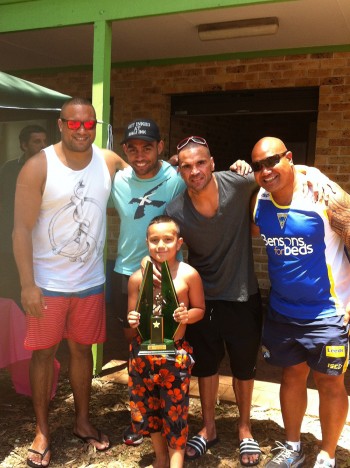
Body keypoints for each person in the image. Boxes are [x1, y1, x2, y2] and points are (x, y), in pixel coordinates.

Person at [12, 97, 128, 468]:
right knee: (43, 354)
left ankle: (81, 421)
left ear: (96, 127)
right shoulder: (37, 166)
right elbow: (20, 230)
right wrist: (28, 284)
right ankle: (42, 431)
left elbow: (148, 174)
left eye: (89, 125)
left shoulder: (108, 161)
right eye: (73, 124)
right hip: (47, 285)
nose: (81, 130)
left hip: (90, 283)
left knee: (82, 353)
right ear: (60, 125)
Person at [250, 137, 350, 468]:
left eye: (273, 161)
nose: (266, 170)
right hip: (282, 311)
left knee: (330, 382)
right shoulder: (259, 199)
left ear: (290, 158)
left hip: (327, 313)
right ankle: (293, 447)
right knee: (292, 377)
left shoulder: (323, 196)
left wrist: (315, 173)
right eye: (258, 166)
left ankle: (327, 453)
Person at [165, 136, 263, 466]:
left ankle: (245, 429)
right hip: (203, 300)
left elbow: (270, 176)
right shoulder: (175, 210)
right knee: (206, 367)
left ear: (212, 162)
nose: (195, 170)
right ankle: (208, 428)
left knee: (243, 367)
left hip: (242, 294)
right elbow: (165, 252)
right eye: (187, 166)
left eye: (200, 163)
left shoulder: (238, 183)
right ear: (179, 171)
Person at [110, 118, 186, 445]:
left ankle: (170, 419)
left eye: (147, 147)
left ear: (160, 147)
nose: (140, 154)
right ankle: (140, 417)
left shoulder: (176, 179)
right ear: (124, 150)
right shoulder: (117, 180)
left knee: (164, 348)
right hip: (125, 274)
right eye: (132, 148)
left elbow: (208, 178)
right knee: (135, 350)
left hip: (163, 278)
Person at [127, 215, 205, 468]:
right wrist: (133, 318)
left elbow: (200, 310)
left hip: (174, 355)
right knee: (148, 409)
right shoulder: (137, 279)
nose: (161, 245)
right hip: (143, 355)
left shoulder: (189, 274)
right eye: (154, 240)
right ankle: (160, 457)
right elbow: (132, 321)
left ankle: (176, 462)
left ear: (179, 243)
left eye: (168, 240)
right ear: (147, 242)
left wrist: (187, 315)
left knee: (175, 412)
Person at [0, 125, 47, 305]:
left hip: (41, 247)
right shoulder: (8, 169)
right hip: (8, 244)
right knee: (11, 294)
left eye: (44, 141)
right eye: (37, 141)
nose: (43, 145)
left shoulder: (52, 170)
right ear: (23, 145)